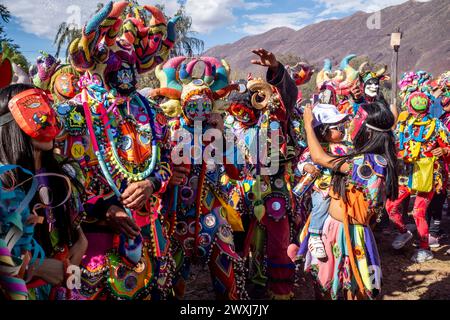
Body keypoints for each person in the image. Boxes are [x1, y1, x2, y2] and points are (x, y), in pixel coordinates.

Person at [55, 1, 178, 299]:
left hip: (146, 232)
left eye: (129, 60)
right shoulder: (72, 114)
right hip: (92, 237)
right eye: (113, 57)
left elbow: (164, 164)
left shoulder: (151, 112)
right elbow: (58, 178)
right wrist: (102, 208)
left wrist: (151, 183)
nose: (123, 68)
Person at [151, 56, 248, 300]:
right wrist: (167, 174)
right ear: (182, 103)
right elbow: (153, 171)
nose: (199, 110)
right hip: (175, 220)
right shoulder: (169, 133)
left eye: (204, 104)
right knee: (172, 288)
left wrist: (223, 139)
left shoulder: (220, 132)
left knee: (228, 286)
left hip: (213, 217)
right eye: (192, 105)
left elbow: (238, 173)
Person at [296, 101, 398, 300]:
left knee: (351, 288)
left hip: (349, 232)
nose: (351, 124)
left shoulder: (368, 163)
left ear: (367, 132)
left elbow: (320, 158)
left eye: (356, 120)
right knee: (333, 285)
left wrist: (308, 125)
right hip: (339, 228)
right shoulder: (369, 158)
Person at [0, 84, 88, 300]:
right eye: (35, 113)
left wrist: (81, 239)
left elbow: (72, 222)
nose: (48, 120)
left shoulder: (65, 170)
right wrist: (38, 267)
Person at [225, 49, 299, 299]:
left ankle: (280, 290)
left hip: (274, 192)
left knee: (277, 244)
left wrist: (276, 71)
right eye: (235, 111)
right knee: (240, 243)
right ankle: (248, 289)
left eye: (245, 109)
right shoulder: (232, 132)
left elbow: (285, 99)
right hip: (243, 193)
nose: (240, 115)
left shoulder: (273, 121)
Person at [386, 71, 450, 263]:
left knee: (418, 212)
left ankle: (424, 247)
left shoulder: (437, 125)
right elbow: (396, 145)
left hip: (427, 174)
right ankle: (404, 232)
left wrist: (444, 151)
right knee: (391, 206)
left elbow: (447, 146)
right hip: (406, 174)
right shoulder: (403, 125)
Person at [296, 104, 350, 259]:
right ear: (322, 130)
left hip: (342, 185)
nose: (341, 130)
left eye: (341, 126)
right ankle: (314, 234)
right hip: (323, 186)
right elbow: (302, 161)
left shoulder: (345, 146)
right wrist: (307, 166)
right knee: (322, 203)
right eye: (336, 127)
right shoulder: (317, 148)